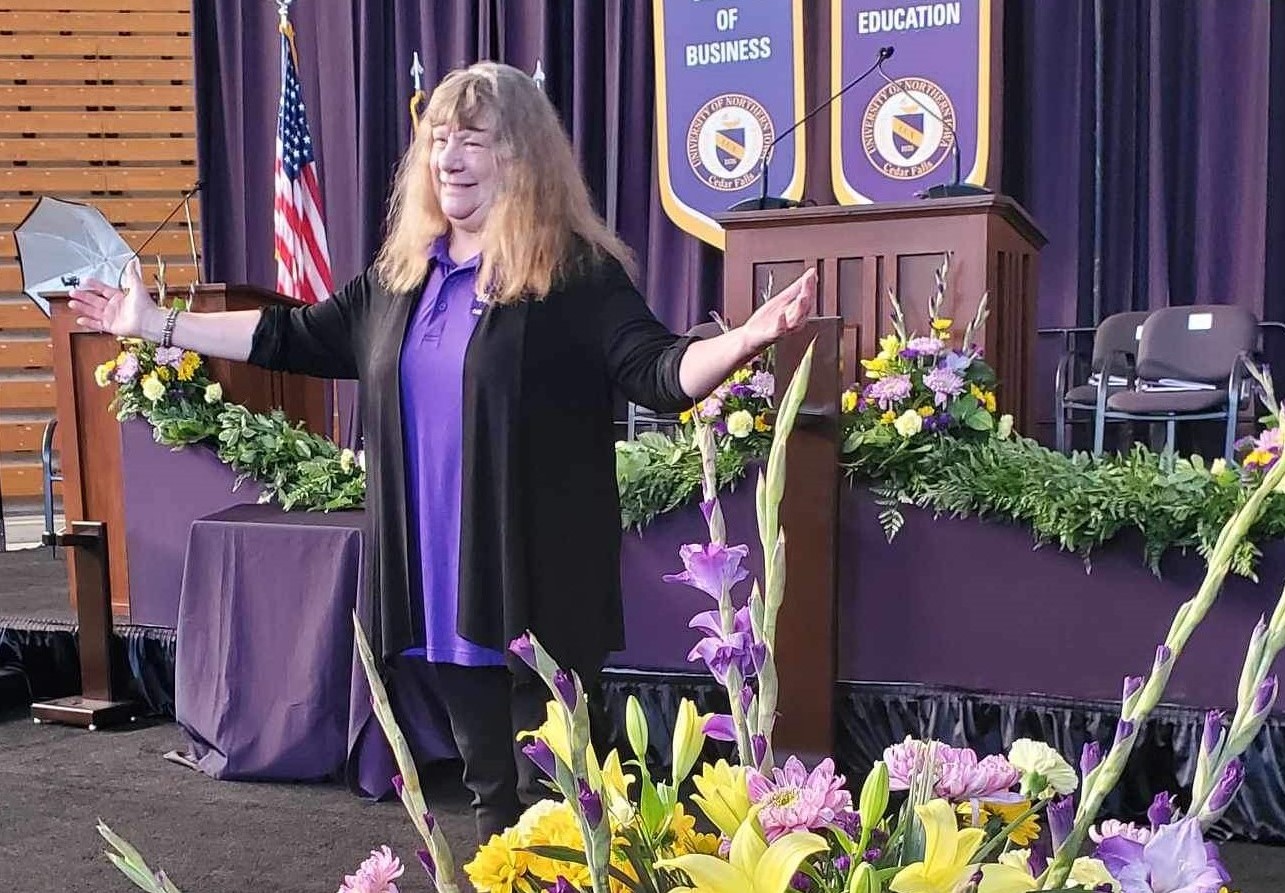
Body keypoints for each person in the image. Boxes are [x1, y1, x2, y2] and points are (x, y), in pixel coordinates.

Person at [69, 61, 814, 842]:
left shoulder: (572, 276)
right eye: (437, 140)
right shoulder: (401, 278)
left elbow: (660, 373)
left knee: (559, 794)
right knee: (490, 794)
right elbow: (287, 335)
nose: (449, 158)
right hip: (438, 577)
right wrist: (155, 324)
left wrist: (744, 338)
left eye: (474, 140)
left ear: (522, 156)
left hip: (536, 576)